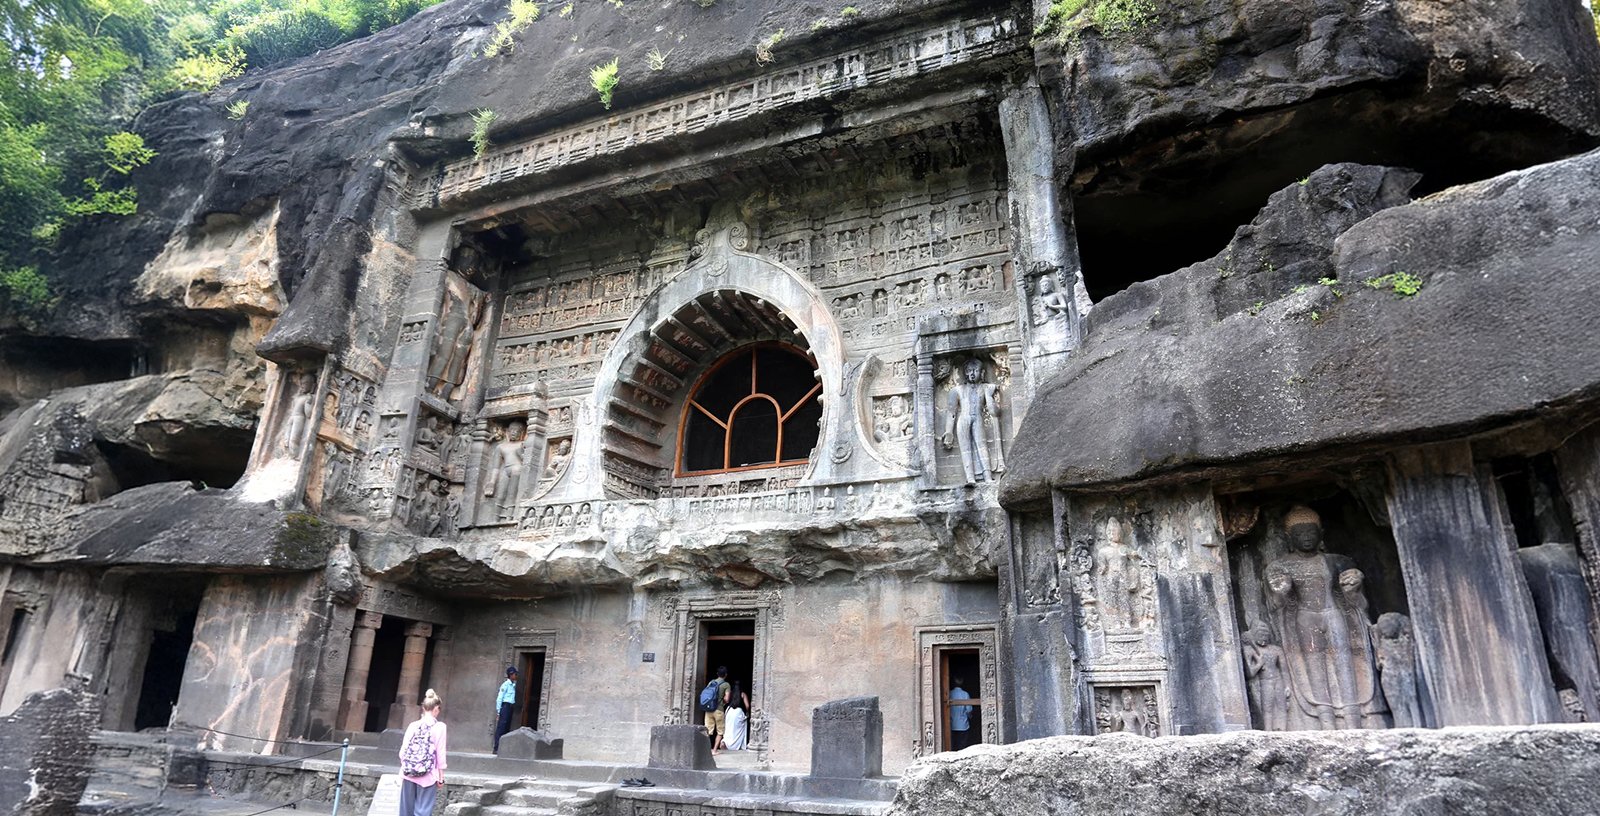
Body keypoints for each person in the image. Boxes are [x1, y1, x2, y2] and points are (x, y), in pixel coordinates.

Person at [398, 689, 447, 816]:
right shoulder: (440, 727)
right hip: (428, 774)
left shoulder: (413, 725)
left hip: (408, 772)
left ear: (423, 708)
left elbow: (402, 752)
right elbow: (440, 753)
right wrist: (441, 777)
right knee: (423, 811)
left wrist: (407, 766)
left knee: (405, 810)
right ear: (436, 708)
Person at [705, 666, 731, 754]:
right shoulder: (726, 685)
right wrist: (722, 700)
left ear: (717, 674)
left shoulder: (711, 682)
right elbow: (727, 699)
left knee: (708, 730)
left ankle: (706, 750)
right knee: (720, 731)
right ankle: (714, 750)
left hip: (709, 709)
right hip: (719, 710)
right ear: (726, 675)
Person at [493, 666, 517, 753]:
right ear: (510, 675)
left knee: (507, 727)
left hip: (510, 706)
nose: (516, 675)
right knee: (501, 727)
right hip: (505, 707)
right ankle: (496, 748)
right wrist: (499, 712)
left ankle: (503, 749)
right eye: (515, 674)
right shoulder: (505, 685)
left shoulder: (513, 685)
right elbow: (499, 699)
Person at [722, 681, 751, 751]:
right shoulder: (742, 694)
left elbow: (725, 701)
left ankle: (725, 742)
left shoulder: (730, 693)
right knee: (738, 731)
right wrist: (747, 712)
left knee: (728, 729)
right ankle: (735, 745)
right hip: (738, 712)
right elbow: (747, 706)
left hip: (729, 711)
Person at [948, 677, 975, 750]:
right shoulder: (965, 694)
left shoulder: (949, 693)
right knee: (962, 747)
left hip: (951, 725)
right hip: (963, 725)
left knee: (952, 746)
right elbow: (969, 710)